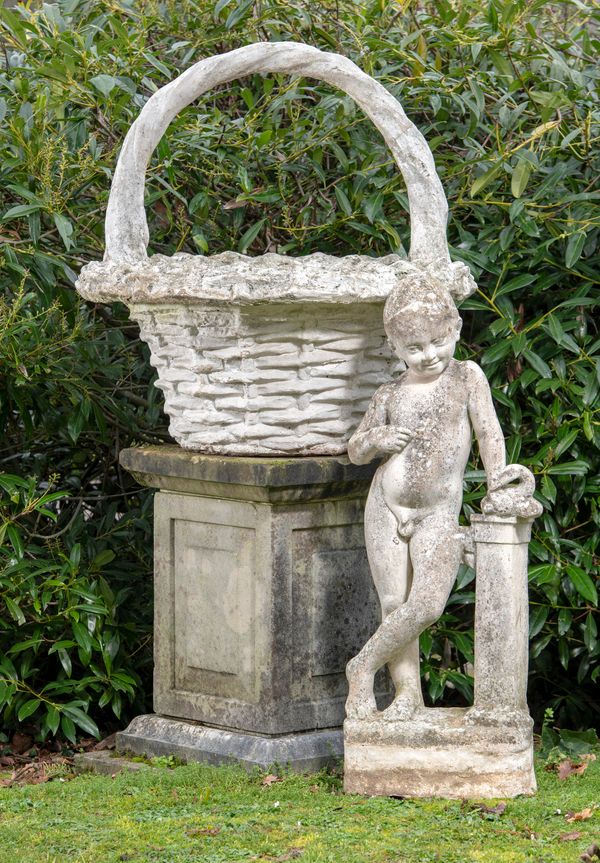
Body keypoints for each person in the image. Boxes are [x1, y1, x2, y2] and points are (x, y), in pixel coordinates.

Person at [345, 273, 506, 721]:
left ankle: (361, 667)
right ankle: (407, 696)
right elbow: (356, 450)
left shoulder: (466, 377)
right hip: (385, 505)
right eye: (414, 348)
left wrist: (498, 486)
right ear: (394, 348)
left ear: (454, 329)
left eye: (437, 341)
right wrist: (376, 437)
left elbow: (489, 433)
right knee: (394, 604)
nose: (429, 354)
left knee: (427, 605)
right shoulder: (390, 392)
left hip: (437, 511)